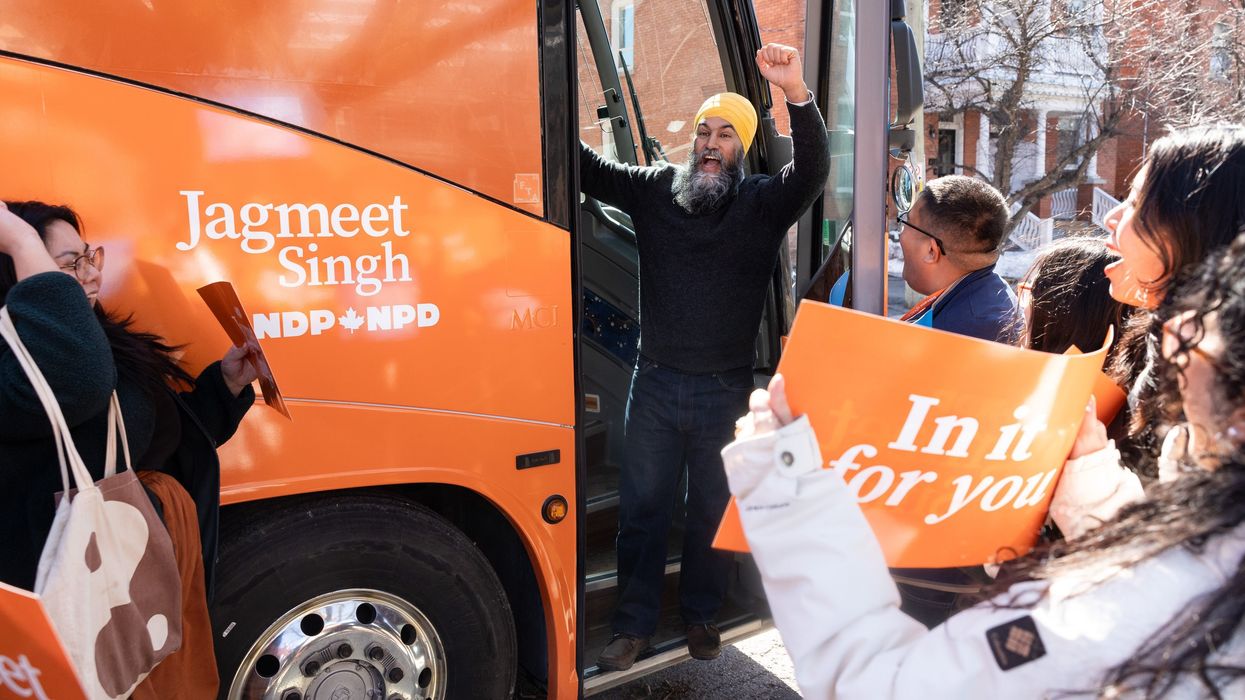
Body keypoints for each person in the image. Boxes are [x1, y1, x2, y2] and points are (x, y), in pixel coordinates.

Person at [721, 230, 1245, 697]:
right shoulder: (1197, 556)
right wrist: (1088, 474)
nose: (1172, 336)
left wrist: (784, 483)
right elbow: (1144, 564)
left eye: (1204, 330)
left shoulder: (1097, 618)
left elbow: (880, 681)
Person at [581, 43, 830, 671]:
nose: (710, 143)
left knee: (712, 514)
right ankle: (632, 628)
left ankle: (700, 616)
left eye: (725, 134)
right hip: (657, 385)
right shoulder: (657, 189)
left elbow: (813, 171)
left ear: (742, 147)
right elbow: (584, 166)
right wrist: (543, 80)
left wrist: (795, 92)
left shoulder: (763, 204)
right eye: (702, 132)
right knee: (642, 511)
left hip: (724, 390)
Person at [0, 200, 258, 696]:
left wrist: (223, 388)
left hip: (140, 575)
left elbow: (148, 444)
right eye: (66, 265)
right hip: (73, 594)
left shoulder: (100, 339)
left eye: (88, 257)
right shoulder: (34, 366)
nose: (90, 274)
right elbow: (75, 386)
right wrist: (19, 239)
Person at [896, 175, 1017, 341]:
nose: (901, 235)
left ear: (932, 251)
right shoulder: (988, 297)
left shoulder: (960, 335)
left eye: (907, 223)